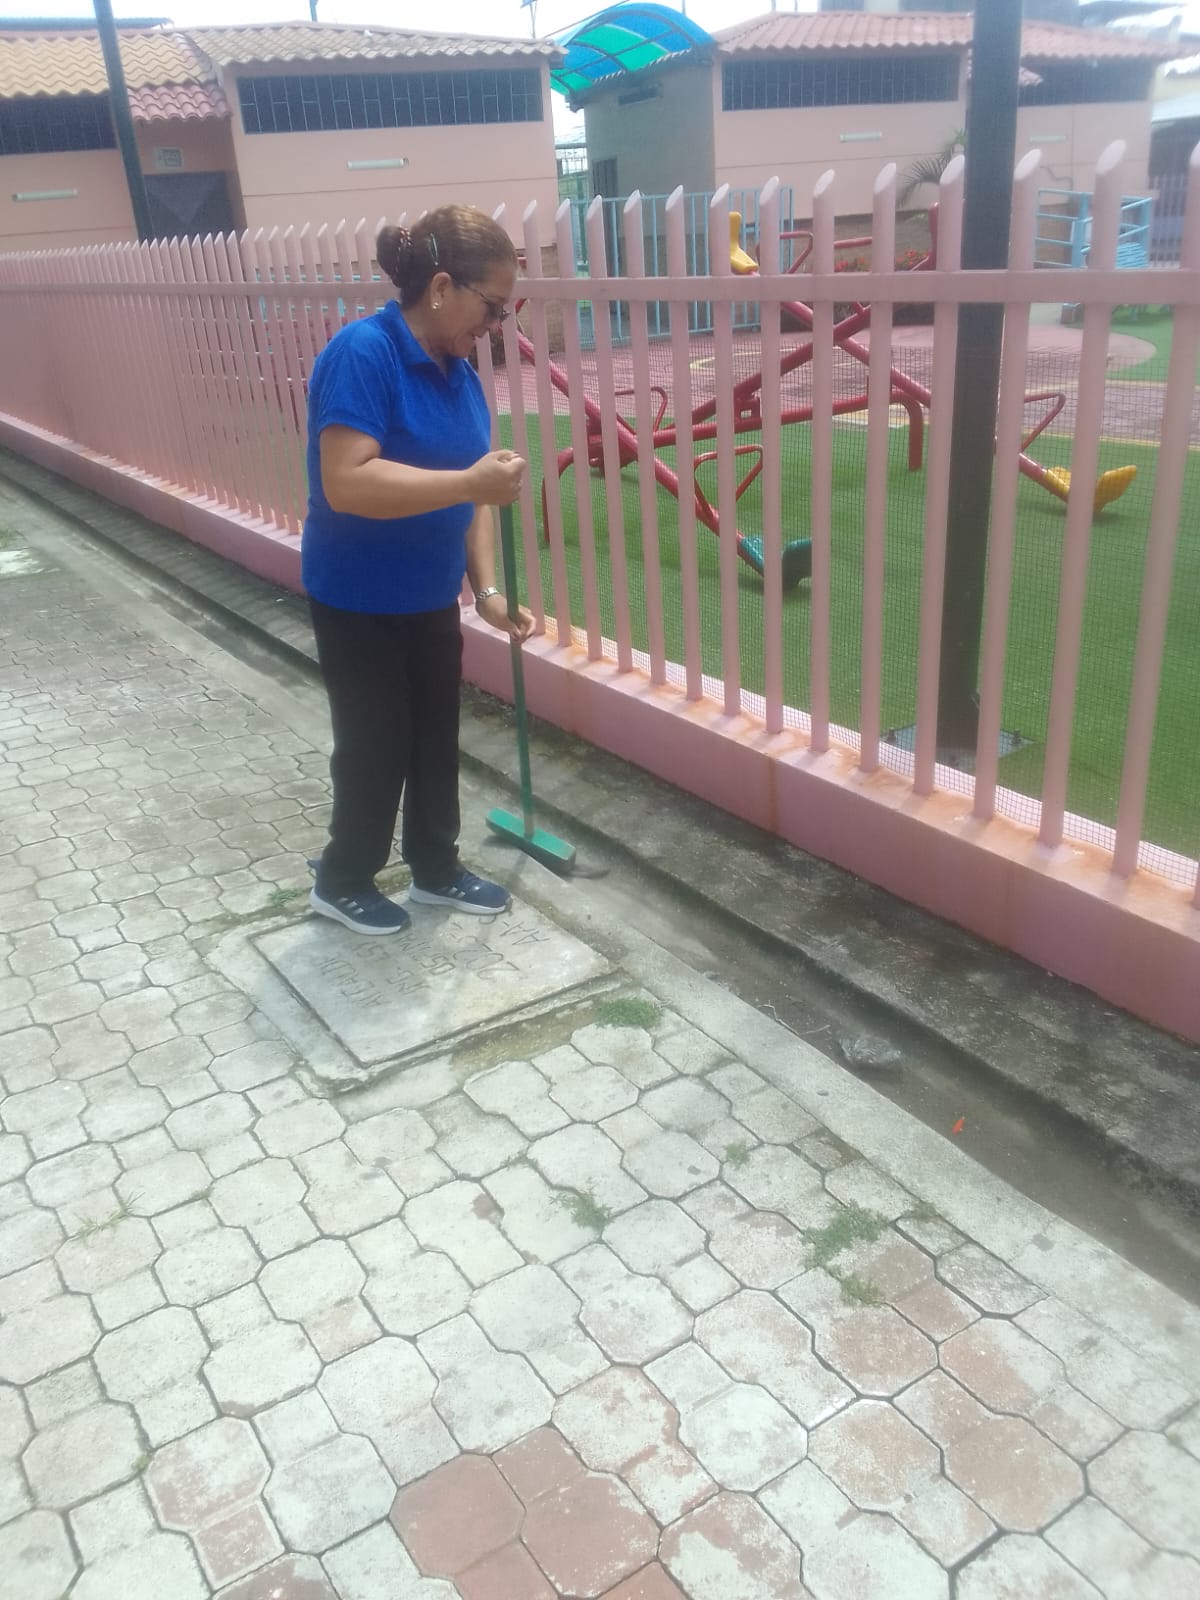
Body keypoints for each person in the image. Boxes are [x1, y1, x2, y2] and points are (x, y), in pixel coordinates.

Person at [302, 205, 533, 935]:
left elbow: (477, 492)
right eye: (491, 306)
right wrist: (470, 483)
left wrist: (486, 590)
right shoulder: (362, 353)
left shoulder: (456, 371)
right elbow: (348, 480)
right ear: (440, 287)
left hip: (430, 595)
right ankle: (342, 879)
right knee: (375, 746)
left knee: (434, 740)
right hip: (359, 596)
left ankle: (435, 868)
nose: (495, 324)